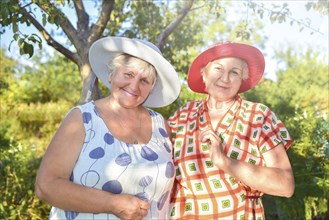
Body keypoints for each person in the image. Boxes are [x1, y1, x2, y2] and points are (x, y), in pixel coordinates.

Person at [35, 36, 181, 220]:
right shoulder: (82, 119)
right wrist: (112, 203)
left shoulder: (161, 125)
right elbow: (46, 186)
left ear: (151, 88)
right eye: (128, 74)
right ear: (111, 74)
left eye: (144, 81)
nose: (134, 86)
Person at [168, 41, 294, 219]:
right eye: (218, 69)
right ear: (203, 73)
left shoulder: (258, 116)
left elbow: (285, 185)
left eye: (234, 72)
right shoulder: (181, 116)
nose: (225, 78)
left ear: (243, 78)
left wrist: (225, 162)